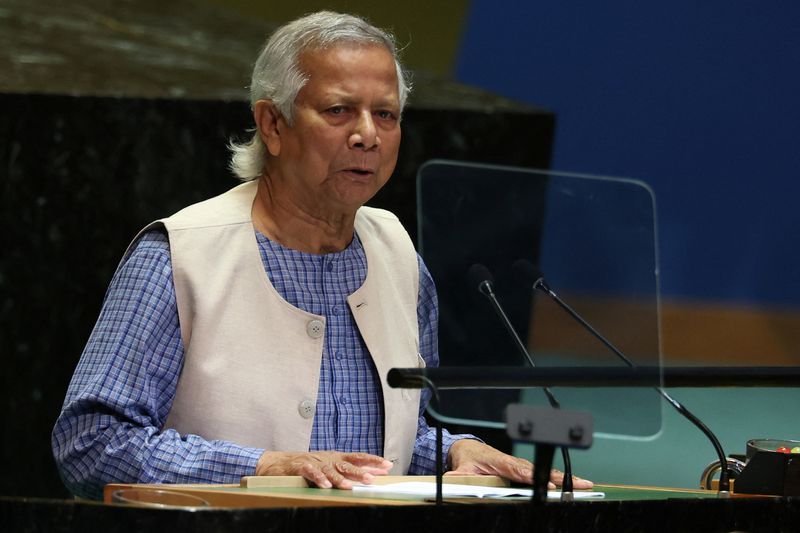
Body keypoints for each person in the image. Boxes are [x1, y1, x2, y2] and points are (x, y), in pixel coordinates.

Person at [52, 11, 592, 500]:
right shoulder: (179, 255)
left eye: (386, 114)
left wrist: (455, 451)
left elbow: (389, 442)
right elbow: (91, 442)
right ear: (273, 124)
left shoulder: (399, 253)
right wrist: (260, 467)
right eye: (339, 110)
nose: (367, 135)